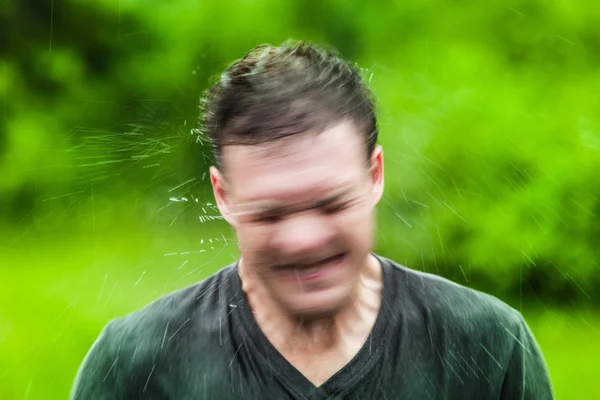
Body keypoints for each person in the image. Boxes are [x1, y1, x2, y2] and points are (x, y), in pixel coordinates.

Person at [70, 40, 554, 399]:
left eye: (330, 203)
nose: (302, 239)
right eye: (271, 212)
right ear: (224, 196)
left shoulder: (486, 346)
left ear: (374, 175)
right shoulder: (136, 364)